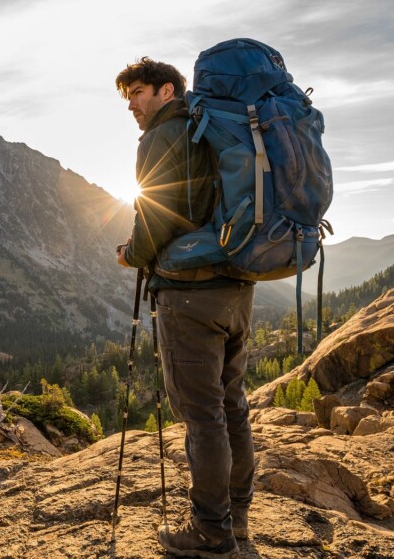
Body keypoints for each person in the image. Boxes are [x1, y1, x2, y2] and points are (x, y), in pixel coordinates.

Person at [114, 57, 255, 559]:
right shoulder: (213, 129)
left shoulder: (161, 136)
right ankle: (236, 519)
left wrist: (132, 253)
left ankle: (211, 533)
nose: (129, 104)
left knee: (203, 417)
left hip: (190, 293)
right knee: (231, 403)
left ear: (166, 90)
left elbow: (157, 215)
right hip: (238, 285)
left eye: (136, 92)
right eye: (126, 96)